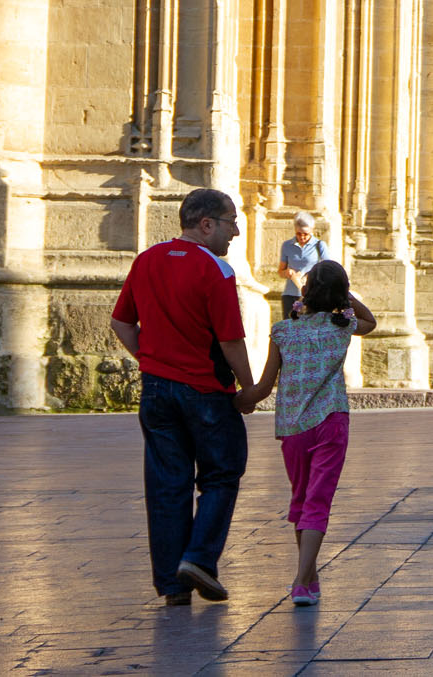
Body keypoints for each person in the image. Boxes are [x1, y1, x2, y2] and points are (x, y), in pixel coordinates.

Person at [109, 187, 257, 606]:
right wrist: (249, 389)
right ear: (206, 224)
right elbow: (230, 340)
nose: (236, 232)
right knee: (222, 474)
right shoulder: (217, 270)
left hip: (156, 388)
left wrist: (152, 359)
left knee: (166, 485)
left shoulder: (146, 260)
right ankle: (199, 558)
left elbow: (121, 323)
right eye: (231, 222)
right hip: (205, 391)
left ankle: (173, 587)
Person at [238, 260, 374, 606]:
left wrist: (239, 400)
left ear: (305, 291)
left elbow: (265, 386)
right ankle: (303, 580)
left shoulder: (282, 331)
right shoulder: (341, 326)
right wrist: (346, 297)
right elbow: (370, 322)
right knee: (318, 500)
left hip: (293, 428)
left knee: (301, 498)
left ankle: (308, 580)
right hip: (330, 423)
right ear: (340, 296)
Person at [276, 212, 332, 321]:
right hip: (291, 294)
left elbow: (328, 270)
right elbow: (280, 271)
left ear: (312, 231)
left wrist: (311, 275)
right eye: (298, 234)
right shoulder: (287, 245)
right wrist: (287, 272)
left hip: (311, 294)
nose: (302, 237)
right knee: (290, 328)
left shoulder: (319, 245)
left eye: (305, 234)